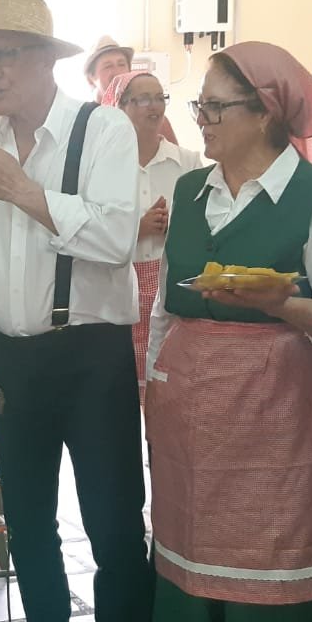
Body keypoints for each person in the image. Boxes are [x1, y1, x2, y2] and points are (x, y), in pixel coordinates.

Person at [142, 42, 312, 622]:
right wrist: (154, 380)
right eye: (200, 106)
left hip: (281, 416)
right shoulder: (190, 192)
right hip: (194, 413)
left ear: (266, 112)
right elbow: (166, 306)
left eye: (216, 107)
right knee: (212, 556)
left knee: (289, 555)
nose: (201, 120)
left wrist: (285, 306)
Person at [0, 0, 154, 622]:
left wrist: (21, 189)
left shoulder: (101, 130)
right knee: (28, 522)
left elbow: (115, 238)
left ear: (46, 61)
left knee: (111, 523)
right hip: (11, 358)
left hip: (90, 357)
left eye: (4, 55)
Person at [101, 69, 200, 403]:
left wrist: (179, 226)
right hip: (118, 292)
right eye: (143, 99)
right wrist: (137, 228)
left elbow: (208, 229)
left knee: (169, 392)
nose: (155, 106)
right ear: (120, 107)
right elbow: (89, 231)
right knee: (121, 395)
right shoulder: (103, 167)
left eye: (160, 97)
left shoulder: (187, 163)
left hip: (170, 290)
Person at [84, 35, 178, 144]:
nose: (117, 72)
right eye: (108, 66)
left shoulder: (152, 119)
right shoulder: (84, 121)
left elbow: (174, 154)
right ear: (90, 79)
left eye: (121, 64)